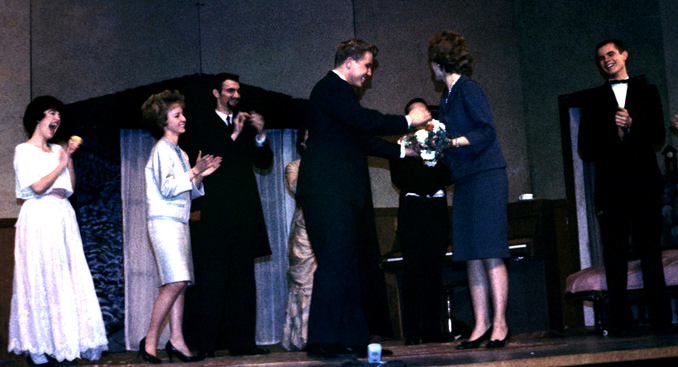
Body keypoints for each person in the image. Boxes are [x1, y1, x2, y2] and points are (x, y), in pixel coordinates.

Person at [296, 39, 431, 359]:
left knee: (347, 264)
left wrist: (403, 149)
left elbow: (360, 139)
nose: (369, 74)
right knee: (334, 262)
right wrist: (408, 120)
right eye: (367, 66)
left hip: (338, 190)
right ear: (349, 62)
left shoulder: (339, 95)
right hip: (328, 189)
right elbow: (363, 122)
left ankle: (352, 338)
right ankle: (322, 340)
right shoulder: (330, 88)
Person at [578, 39, 673, 336]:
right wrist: (615, 131)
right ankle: (620, 324)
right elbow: (585, 148)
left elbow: (658, 135)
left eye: (611, 54)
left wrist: (632, 124)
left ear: (624, 55)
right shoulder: (593, 99)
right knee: (615, 256)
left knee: (650, 252)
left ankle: (660, 322)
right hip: (611, 188)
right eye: (600, 58)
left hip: (644, 185)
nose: (606, 60)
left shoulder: (647, 91)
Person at [8, 96, 108, 365]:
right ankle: (37, 345)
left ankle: (64, 341)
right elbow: (37, 187)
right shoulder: (23, 150)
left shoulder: (58, 150)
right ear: (38, 117)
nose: (57, 118)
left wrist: (68, 158)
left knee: (65, 277)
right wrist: (61, 164)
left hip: (63, 213)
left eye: (59, 114)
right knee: (39, 278)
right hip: (39, 215)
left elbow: (70, 186)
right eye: (52, 112)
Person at [427, 30, 511, 349]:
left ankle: (500, 325)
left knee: (489, 250)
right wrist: (436, 149)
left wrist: (451, 142)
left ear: (438, 63)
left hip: (487, 175)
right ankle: (481, 325)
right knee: (469, 255)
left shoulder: (468, 88)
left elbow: (486, 131)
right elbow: (450, 141)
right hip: (464, 179)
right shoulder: (446, 97)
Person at [180, 73, 273, 356]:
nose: (235, 95)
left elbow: (264, 162)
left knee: (243, 280)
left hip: (243, 213)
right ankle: (205, 344)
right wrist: (234, 134)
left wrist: (258, 135)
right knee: (212, 279)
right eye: (230, 90)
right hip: (214, 212)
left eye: (238, 91)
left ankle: (243, 343)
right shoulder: (199, 123)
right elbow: (213, 159)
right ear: (216, 93)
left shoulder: (244, 125)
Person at [139, 90, 221, 364]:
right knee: (174, 281)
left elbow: (189, 192)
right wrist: (194, 172)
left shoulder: (180, 152)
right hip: (163, 223)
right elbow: (168, 187)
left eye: (182, 113)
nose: (183, 118)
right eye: (177, 115)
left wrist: (200, 175)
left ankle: (177, 340)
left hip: (179, 222)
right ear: (164, 121)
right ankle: (150, 340)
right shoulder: (161, 149)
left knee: (182, 282)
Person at [389, 98, 452, 345]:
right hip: (413, 212)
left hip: (436, 211)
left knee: (434, 273)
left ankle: (432, 331)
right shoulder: (401, 145)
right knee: (413, 273)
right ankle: (412, 332)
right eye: (418, 112)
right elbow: (402, 180)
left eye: (426, 111)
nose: (424, 115)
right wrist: (424, 161)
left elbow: (447, 176)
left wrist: (435, 156)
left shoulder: (441, 141)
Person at [281, 126, 315, 351]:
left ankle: (324, 334)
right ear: (301, 144)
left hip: (327, 227)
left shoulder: (330, 166)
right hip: (304, 229)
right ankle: (301, 336)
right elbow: (298, 188)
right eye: (308, 140)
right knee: (303, 282)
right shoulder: (294, 167)